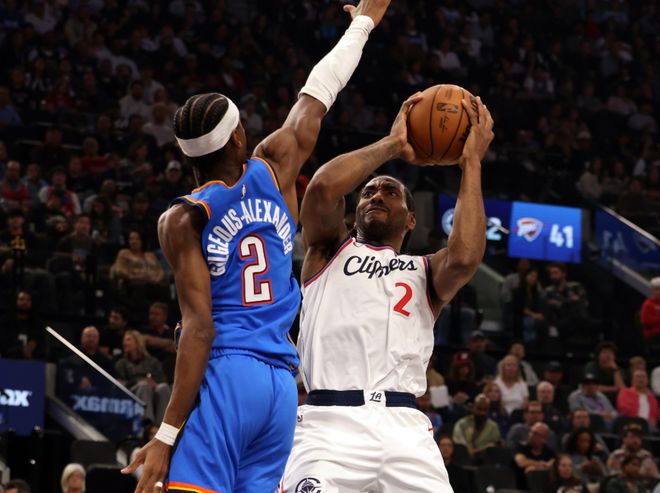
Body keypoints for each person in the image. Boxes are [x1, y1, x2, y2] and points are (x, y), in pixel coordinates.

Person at [124, 3, 392, 492]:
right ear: (238, 137)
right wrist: (362, 24)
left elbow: (200, 330)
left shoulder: (183, 218)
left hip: (228, 374)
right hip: (281, 387)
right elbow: (318, 92)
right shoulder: (274, 166)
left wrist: (165, 434)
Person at [281, 93, 493, 489]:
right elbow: (322, 189)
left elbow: (465, 257)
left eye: (390, 192)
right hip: (330, 421)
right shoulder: (328, 250)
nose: (377, 195)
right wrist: (394, 144)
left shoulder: (425, 271)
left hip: (404, 427)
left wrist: (472, 163)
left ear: (411, 219)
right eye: (368, 192)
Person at [114, 330, 171, 424]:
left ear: (137, 342)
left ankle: (162, 425)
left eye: (128, 340)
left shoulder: (152, 361)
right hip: (132, 391)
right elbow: (120, 383)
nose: (124, 343)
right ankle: (148, 426)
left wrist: (154, 383)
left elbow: (163, 379)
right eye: (124, 340)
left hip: (152, 389)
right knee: (144, 387)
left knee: (163, 387)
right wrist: (138, 382)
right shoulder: (121, 363)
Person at [452, 393, 502, 459]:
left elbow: (494, 447)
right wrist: (481, 449)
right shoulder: (462, 424)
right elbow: (460, 446)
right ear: (473, 407)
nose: (482, 413)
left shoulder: (493, 427)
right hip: (463, 459)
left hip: (485, 460)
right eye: (479, 409)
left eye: (485, 409)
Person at [640, 277, 660, 343]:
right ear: (652, 290)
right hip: (653, 335)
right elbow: (645, 322)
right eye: (657, 289)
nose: (659, 292)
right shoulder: (648, 304)